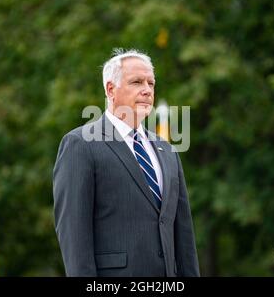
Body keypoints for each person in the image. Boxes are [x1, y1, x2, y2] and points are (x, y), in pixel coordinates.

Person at [53, 48, 200, 277]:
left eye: (151, 83)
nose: (147, 90)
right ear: (111, 89)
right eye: (137, 82)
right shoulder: (80, 145)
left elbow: (184, 237)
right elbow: (74, 235)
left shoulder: (168, 150)